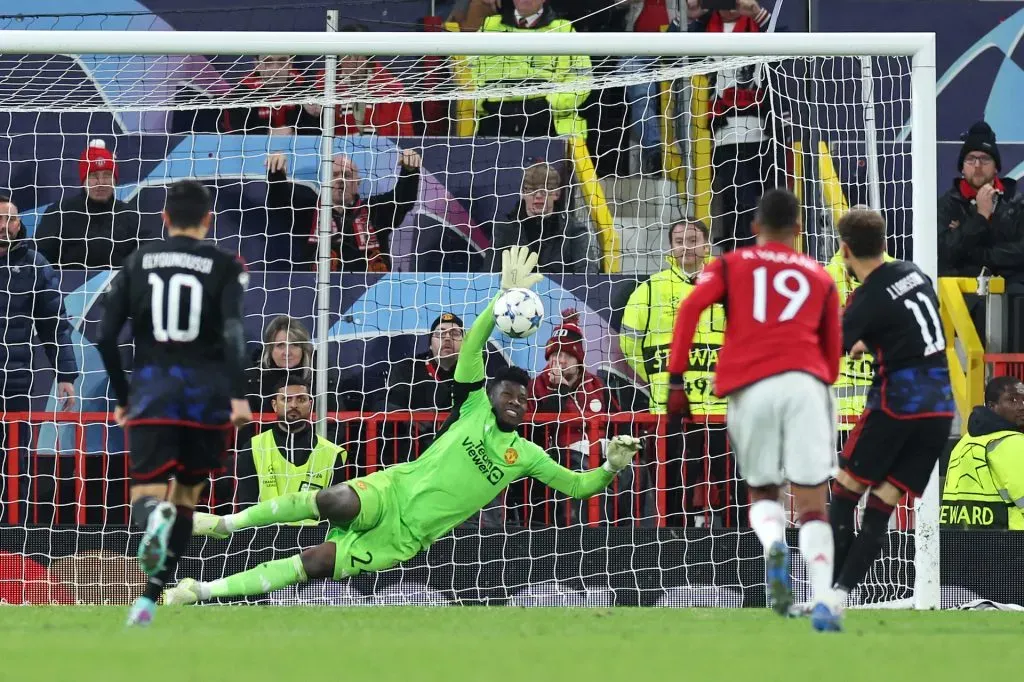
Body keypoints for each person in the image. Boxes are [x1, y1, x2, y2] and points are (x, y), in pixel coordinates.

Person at [166, 247, 639, 605]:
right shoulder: (472, 406)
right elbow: (471, 349)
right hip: (391, 489)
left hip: (404, 536)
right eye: (507, 393)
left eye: (522, 397)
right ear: (489, 395)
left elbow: (578, 487)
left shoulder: (526, 455)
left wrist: (610, 467)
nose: (516, 401)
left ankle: (202, 591)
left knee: (315, 562)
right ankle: (225, 525)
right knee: (331, 499)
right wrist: (501, 300)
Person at [666, 189, 842, 631]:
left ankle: (774, 551)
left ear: (753, 228)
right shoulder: (820, 277)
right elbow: (834, 353)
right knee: (813, 502)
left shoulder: (731, 264)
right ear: (799, 231)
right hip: (806, 384)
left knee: (763, 492)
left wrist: (676, 380)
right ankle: (822, 596)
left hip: (751, 384)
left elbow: (689, 310)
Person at [95, 179, 253, 626]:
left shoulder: (139, 261)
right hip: (207, 402)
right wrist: (239, 396)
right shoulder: (225, 264)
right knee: (187, 498)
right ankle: (148, 599)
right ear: (208, 220)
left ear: (164, 219)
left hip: (153, 396)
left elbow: (105, 336)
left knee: (147, 495)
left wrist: (125, 398)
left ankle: (153, 527)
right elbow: (234, 336)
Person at [828, 208, 954, 619]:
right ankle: (842, 594)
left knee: (845, 494)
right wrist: (871, 340)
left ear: (844, 249)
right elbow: (915, 324)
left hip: (897, 404)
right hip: (939, 409)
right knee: (882, 504)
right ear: (884, 242)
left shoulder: (867, 297)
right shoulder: (915, 273)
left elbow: (830, 353)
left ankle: (827, 593)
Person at [621, 220, 740, 527]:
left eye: (692, 239)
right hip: (670, 409)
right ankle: (672, 550)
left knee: (729, 488)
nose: (685, 246)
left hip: (721, 409)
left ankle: (734, 550)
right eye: (678, 240)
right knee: (671, 489)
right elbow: (629, 342)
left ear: (706, 245)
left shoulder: (732, 286)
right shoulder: (650, 288)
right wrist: (656, 377)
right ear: (670, 247)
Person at [689, 0, 778, 252]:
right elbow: (672, 58)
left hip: (762, 135)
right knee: (736, 203)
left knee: (759, 203)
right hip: (724, 134)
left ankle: (753, 254)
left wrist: (757, 13)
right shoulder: (704, 27)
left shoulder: (760, 25)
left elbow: (789, 44)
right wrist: (691, 18)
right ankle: (741, 257)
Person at [527, 309, 623, 524]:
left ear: (578, 358)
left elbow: (618, 421)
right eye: (553, 354)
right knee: (580, 465)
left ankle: (625, 532)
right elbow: (535, 432)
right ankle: (583, 534)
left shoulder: (596, 384)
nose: (557, 360)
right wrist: (558, 392)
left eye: (564, 354)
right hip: (558, 456)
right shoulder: (537, 385)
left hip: (600, 451)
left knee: (634, 470)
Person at [264, 149, 421, 271]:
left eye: (347, 175)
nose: (340, 179)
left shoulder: (376, 210)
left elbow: (402, 200)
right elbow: (280, 205)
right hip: (313, 294)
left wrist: (410, 170)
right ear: (325, 182)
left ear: (357, 183)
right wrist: (276, 173)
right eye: (335, 175)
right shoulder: (308, 211)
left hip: (370, 296)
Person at [0, 195, 78, 417]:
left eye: (11, 219)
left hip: (13, 385)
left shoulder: (35, 264)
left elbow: (55, 326)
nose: (4, 226)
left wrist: (65, 376)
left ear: (19, 224)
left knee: (12, 451)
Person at [471, 0, 592, 139]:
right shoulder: (489, 26)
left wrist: (549, 104)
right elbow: (469, 70)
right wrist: (483, 101)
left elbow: (582, 78)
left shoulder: (564, 29)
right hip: (494, 119)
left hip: (549, 123)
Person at [235, 373, 348, 509]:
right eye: (286, 399)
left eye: (301, 399)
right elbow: (247, 506)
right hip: (266, 530)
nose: (293, 405)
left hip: (315, 531)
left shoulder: (332, 454)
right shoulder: (252, 449)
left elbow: (334, 512)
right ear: (274, 405)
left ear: (310, 404)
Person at [35, 139, 147, 269]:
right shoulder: (59, 213)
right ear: (83, 180)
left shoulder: (130, 215)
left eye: (106, 175)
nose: (101, 182)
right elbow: (40, 261)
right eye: (93, 176)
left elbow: (143, 263)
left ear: (115, 179)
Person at [937, 121, 1024, 281]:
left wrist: (977, 254)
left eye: (984, 159)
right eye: (971, 159)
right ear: (962, 168)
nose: (977, 165)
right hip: (963, 296)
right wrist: (981, 216)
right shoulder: (946, 205)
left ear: (996, 167)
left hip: (1012, 294)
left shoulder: (1016, 201)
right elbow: (943, 255)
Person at [941, 376, 1024, 530]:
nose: (1021, 406)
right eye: (1012, 400)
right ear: (992, 406)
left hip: (957, 542)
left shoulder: (964, 442)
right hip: (1010, 545)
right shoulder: (1015, 443)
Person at [303, 24, 414, 138]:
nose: (352, 61)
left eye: (357, 55)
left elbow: (405, 137)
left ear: (368, 56)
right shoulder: (324, 83)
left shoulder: (391, 87)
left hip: (380, 152)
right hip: (337, 152)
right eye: (346, 55)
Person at [490, 162, 597, 274]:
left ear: (557, 194)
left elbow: (588, 276)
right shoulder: (504, 230)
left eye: (545, 190)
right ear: (522, 193)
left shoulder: (574, 231)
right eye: (531, 190)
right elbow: (488, 277)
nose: (538, 196)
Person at [219, 55, 319, 135]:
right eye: (268, 61)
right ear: (257, 64)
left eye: (282, 61)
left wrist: (316, 116)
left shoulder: (307, 90)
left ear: (290, 64)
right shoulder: (241, 94)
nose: (275, 70)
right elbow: (233, 136)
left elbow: (322, 134)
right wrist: (266, 133)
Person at [386, 312, 464, 412]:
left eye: (455, 334)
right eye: (440, 333)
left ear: (464, 344)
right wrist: (410, 416)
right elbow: (389, 405)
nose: (447, 338)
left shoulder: (474, 370)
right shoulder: (407, 369)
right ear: (430, 344)